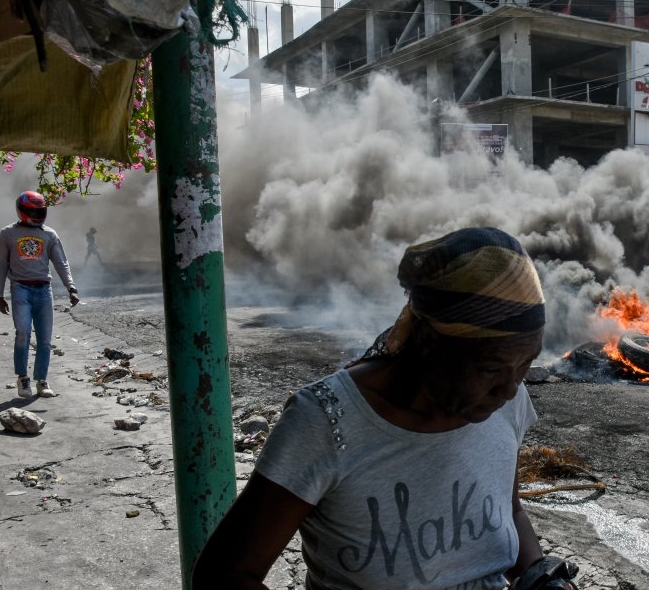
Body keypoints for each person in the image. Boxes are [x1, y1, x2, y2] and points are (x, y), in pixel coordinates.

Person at [193, 227, 578, 590]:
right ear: (428, 341)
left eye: (525, 364)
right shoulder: (326, 422)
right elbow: (223, 574)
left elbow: (507, 511)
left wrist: (540, 576)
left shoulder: (506, 402)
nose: (509, 388)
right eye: (489, 368)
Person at [0, 191, 80, 398]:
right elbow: (0, 265)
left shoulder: (49, 234)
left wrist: (71, 287)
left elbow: (61, 262)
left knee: (45, 339)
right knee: (23, 333)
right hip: (20, 288)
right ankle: (23, 378)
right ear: (22, 210)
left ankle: (41, 380)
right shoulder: (7, 234)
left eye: (40, 211)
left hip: (44, 290)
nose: (36, 215)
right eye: (32, 211)